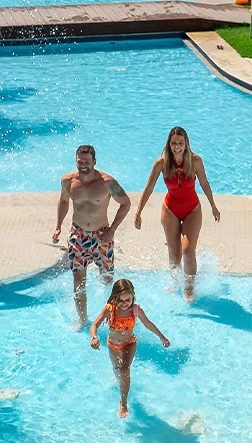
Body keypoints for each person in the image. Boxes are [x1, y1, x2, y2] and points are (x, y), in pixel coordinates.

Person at [133, 126, 221, 302]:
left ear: (186, 144)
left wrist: (213, 205)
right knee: (175, 255)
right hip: (171, 209)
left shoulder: (195, 161)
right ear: (169, 144)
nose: (177, 146)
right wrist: (138, 211)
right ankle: (175, 279)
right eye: (174, 143)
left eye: (181, 142)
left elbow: (204, 183)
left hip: (192, 210)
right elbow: (149, 187)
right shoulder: (161, 163)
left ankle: (189, 288)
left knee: (188, 251)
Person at [53, 144, 129, 327]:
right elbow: (63, 201)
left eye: (87, 161)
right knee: (79, 280)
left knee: (107, 279)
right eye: (80, 161)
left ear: (94, 162)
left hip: (102, 235)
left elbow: (125, 203)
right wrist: (58, 226)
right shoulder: (68, 181)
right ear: (76, 161)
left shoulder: (107, 182)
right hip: (78, 235)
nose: (83, 164)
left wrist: (112, 230)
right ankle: (83, 319)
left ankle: (112, 317)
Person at [89, 277, 169, 418]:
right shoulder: (110, 309)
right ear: (115, 297)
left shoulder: (136, 310)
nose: (125, 303)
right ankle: (122, 383)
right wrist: (94, 337)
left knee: (124, 369)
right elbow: (94, 325)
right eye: (121, 300)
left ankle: (123, 402)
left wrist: (161, 336)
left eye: (128, 300)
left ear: (133, 297)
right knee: (117, 370)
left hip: (129, 343)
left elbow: (148, 324)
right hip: (113, 345)